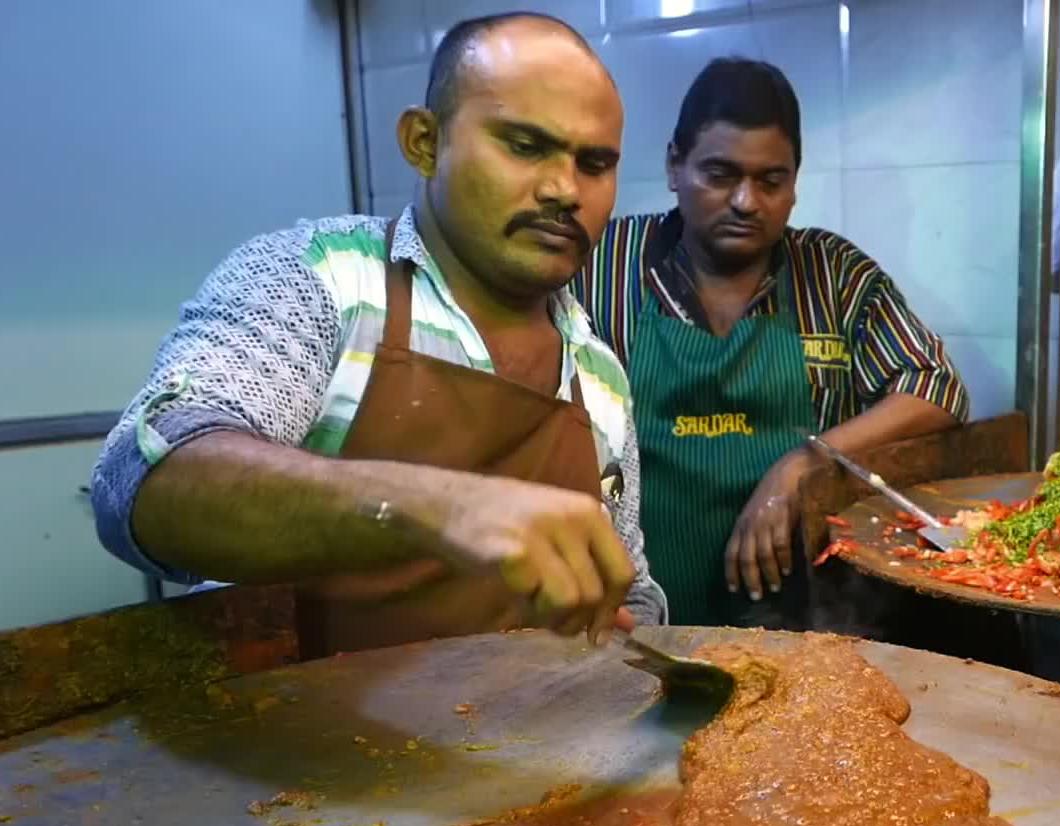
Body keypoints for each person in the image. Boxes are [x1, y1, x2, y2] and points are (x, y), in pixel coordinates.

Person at [89, 13, 665, 656]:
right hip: (287, 745)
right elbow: (143, 476)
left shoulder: (599, 373)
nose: (564, 189)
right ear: (424, 141)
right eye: (524, 145)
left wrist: (629, 630)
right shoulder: (323, 280)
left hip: (517, 748)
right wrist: (436, 505)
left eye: (594, 163)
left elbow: (630, 582)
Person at [574, 57, 969, 627]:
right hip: (638, 624)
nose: (745, 201)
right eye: (720, 174)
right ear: (674, 165)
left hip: (807, 626)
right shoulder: (604, 264)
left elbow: (936, 388)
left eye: (770, 180)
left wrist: (801, 464)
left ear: (793, 182)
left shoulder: (833, 274)